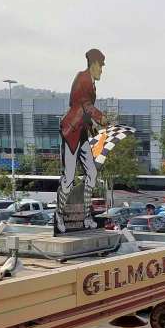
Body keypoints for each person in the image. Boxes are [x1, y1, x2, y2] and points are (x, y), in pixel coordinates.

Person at [55, 48, 106, 234]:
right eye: (101, 66)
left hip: (82, 132)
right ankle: (59, 215)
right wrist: (100, 117)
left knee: (92, 173)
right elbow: (84, 104)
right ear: (94, 64)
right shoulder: (82, 79)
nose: (102, 70)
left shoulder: (91, 82)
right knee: (69, 177)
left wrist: (92, 126)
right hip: (71, 132)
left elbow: (84, 110)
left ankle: (86, 217)